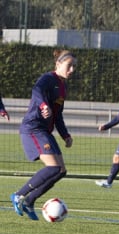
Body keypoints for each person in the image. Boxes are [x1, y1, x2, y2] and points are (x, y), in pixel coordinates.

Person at [10, 50, 76, 220]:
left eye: (74, 67)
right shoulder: (48, 78)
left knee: (61, 171)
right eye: (69, 66)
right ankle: (19, 195)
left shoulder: (63, 87)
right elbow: (36, 90)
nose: (72, 70)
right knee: (53, 167)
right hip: (33, 128)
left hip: (44, 131)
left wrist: (65, 135)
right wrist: (43, 105)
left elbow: (58, 114)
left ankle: (30, 200)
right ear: (58, 65)